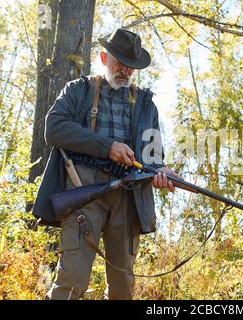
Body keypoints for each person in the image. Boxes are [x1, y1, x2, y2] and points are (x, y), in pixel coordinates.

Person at [32, 28, 176, 300]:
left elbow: (154, 159)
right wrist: (107, 147)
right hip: (83, 191)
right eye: (119, 62)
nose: (125, 70)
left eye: (130, 65)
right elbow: (54, 129)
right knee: (72, 279)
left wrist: (162, 173)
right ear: (103, 57)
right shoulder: (79, 90)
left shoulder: (147, 104)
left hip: (128, 198)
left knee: (123, 286)